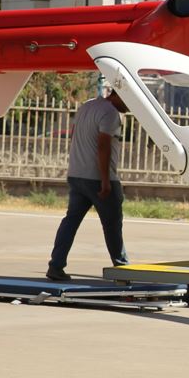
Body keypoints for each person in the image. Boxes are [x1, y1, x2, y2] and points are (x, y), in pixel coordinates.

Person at [47, 89, 130, 280]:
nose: (130, 107)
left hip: (77, 174)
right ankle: (122, 268)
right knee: (112, 224)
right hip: (97, 178)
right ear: (118, 95)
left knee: (71, 222)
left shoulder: (87, 106)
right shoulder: (110, 113)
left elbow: (77, 136)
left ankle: (56, 265)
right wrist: (105, 180)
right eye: (129, 102)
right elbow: (103, 145)